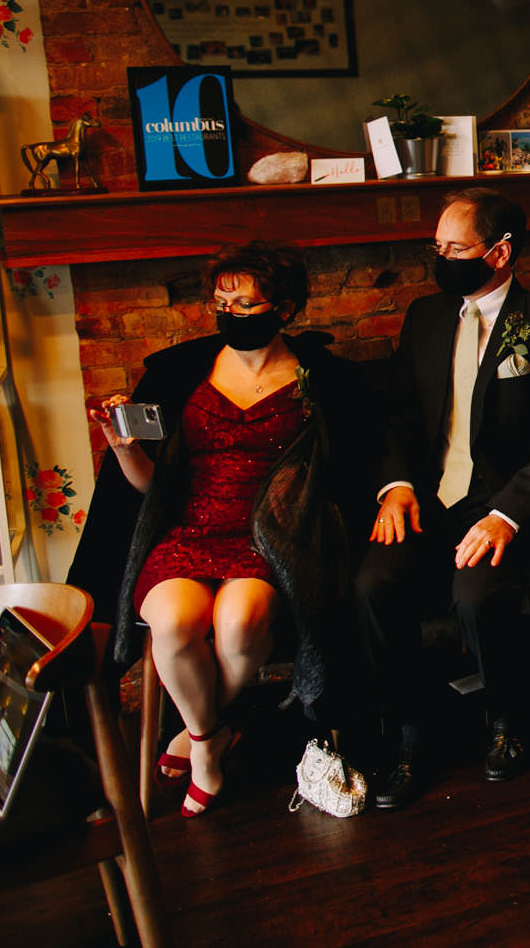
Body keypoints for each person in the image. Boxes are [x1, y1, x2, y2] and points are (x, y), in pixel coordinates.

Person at [71, 241, 374, 817]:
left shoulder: (319, 380)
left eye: (244, 304)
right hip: (188, 529)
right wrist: (123, 448)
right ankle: (210, 741)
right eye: (221, 303)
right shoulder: (181, 373)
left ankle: (196, 732)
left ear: (284, 309)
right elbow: (150, 488)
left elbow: (346, 472)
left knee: (240, 625)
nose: (229, 314)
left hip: (268, 539)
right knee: (173, 622)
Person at [354, 187, 530, 808]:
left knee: (475, 593)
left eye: (456, 249)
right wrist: (396, 488)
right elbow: (398, 416)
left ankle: (509, 720)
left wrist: (505, 515)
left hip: (509, 502)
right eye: (437, 247)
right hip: (431, 498)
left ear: (500, 253)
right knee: (373, 584)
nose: (442, 259)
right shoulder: (425, 318)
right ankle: (411, 732)